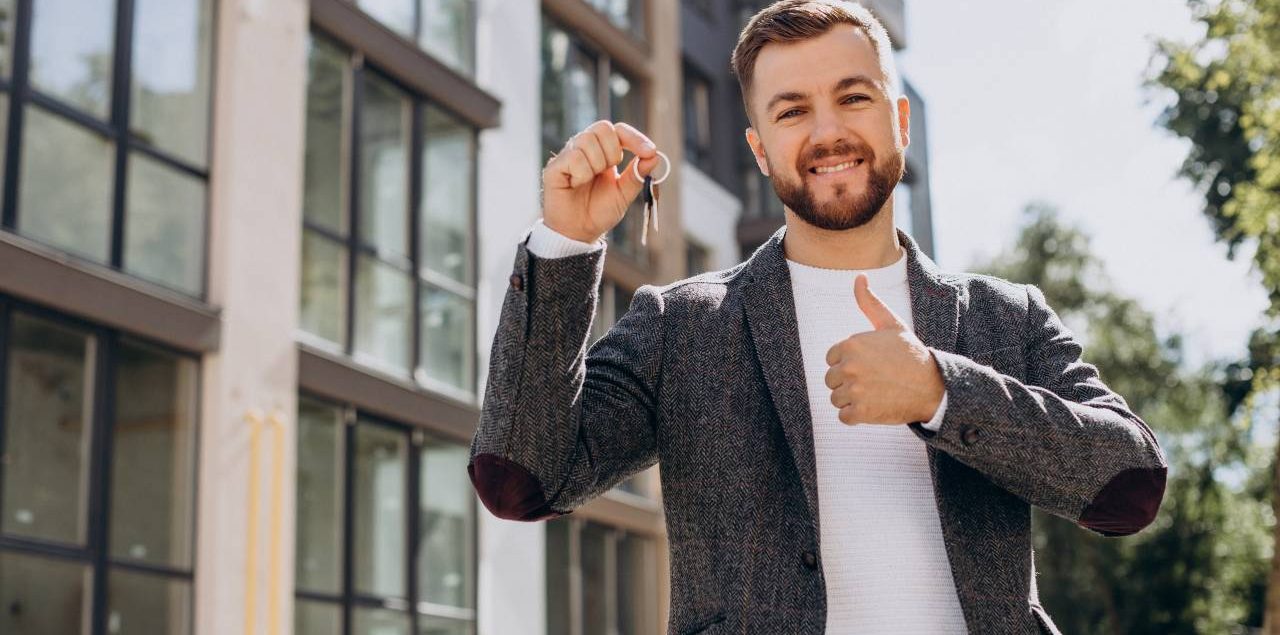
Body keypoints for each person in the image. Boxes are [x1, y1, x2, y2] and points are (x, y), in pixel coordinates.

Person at [468, 1, 1167, 632]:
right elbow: (521, 478)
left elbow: (1128, 486)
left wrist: (942, 393)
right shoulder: (681, 329)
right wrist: (565, 243)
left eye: (853, 97)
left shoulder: (1004, 317)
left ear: (900, 120)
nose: (828, 131)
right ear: (760, 148)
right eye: (792, 109)